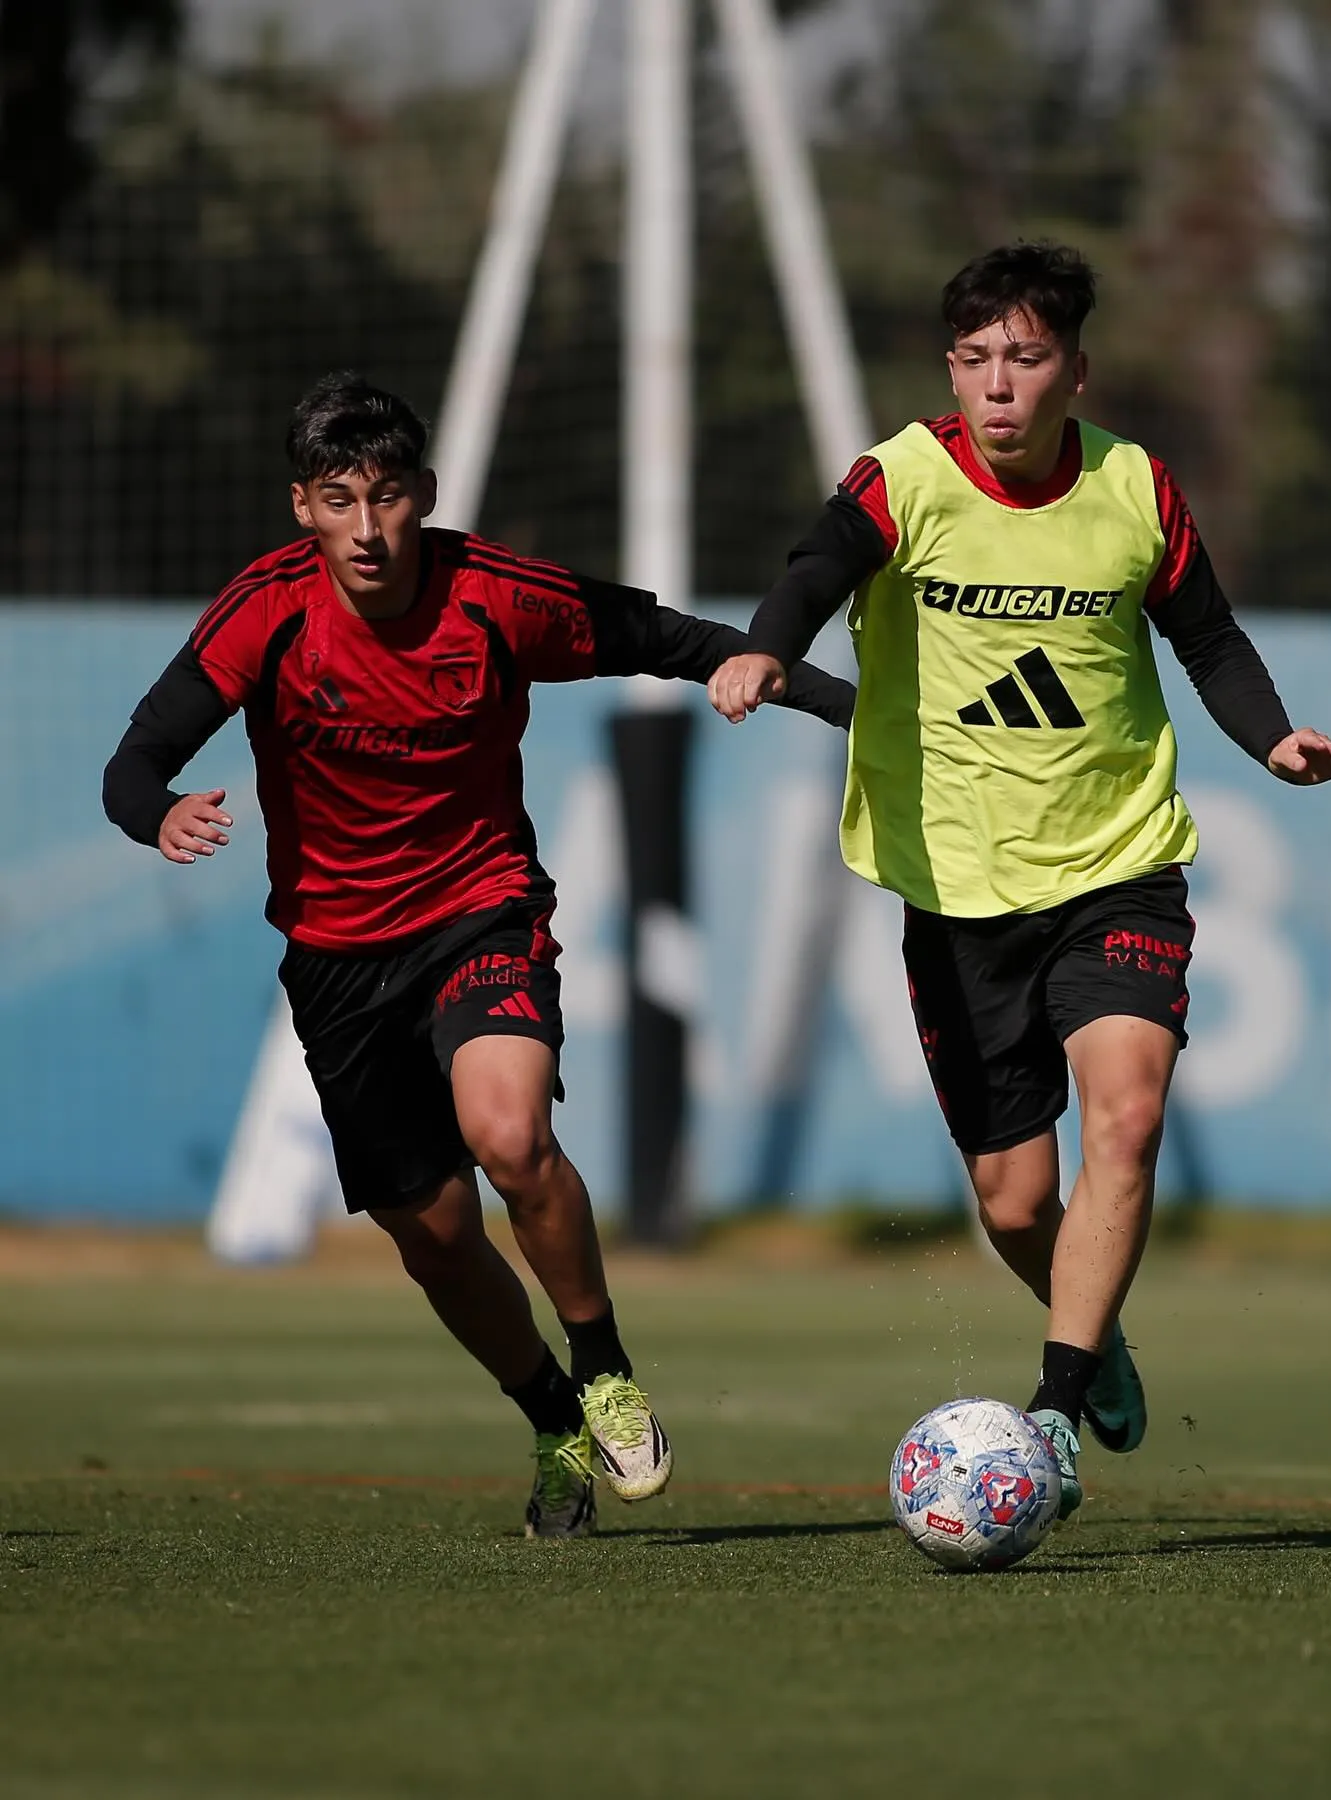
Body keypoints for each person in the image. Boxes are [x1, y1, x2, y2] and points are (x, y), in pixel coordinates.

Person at [103, 372, 854, 1539]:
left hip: (478, 909)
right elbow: (135, 759)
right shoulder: (263, 612)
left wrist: (821, 694)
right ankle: (552, 1417)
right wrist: (153, 814)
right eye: (341, 499)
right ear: (302, 506)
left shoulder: (496, 596)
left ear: (425, 496)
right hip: (336, 957)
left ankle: (603, 1367)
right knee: (436, 1235)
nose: (368, 527)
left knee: (511, 1136)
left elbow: (667, 636)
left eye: (391, 496)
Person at [707, 241, 1331, 1518]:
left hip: (1117, 862)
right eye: (973, 361)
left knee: (1127, 1114)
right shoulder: (901, 479)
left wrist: (1271, 737)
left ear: (1075, 370)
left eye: (1024, 357)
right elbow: (813, 569)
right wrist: (762, 652)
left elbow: (1209, 638)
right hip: (953, 888)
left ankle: (1053, 1414)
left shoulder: (1134, 487)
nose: (996, 387)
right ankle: (1097, 1334)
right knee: (1017, 1203)